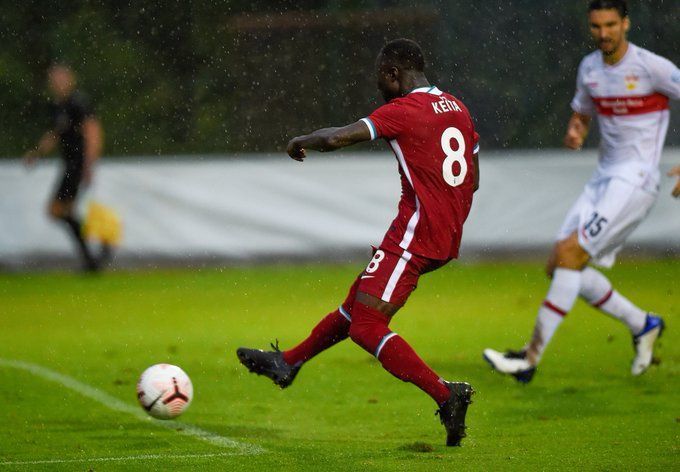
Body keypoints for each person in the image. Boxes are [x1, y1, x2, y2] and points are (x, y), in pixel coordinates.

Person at [237, 39, 480, 446]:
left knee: (366, 326)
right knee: (355, 306)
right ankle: (289, 362)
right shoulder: (457, 107)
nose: (378, 87)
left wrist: (302, 139)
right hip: (443, 234)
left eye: (380, 79)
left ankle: (446, 394)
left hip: (414, 237)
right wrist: (446, 212)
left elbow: (336, 138)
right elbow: (473, 176)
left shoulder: (402, 110)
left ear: (392, 75)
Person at [483, 0, 679, 383]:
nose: (603, 33)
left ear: (626, 24)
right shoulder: (589, 68)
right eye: (595, 26)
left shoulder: (651, 67)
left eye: (610, 25)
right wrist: (577, 129)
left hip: (635, 179)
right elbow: (583, 112)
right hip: (603, 177)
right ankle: (643, 323)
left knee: (571, 256)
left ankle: (529, 359)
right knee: (559, 264)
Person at [24, 64, 108, 272]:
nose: (57, 83)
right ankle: (94, 256)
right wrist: (36, 153)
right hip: (69, 164)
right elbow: (55, 134)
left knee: (56, 210)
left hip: (77, 164)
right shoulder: (58, 106)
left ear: (71, 79)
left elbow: (93, 132)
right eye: (54, 79)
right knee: (62, 211)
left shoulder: (78, 103)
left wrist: (89, 164)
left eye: (61, 79)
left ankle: (97, 251)